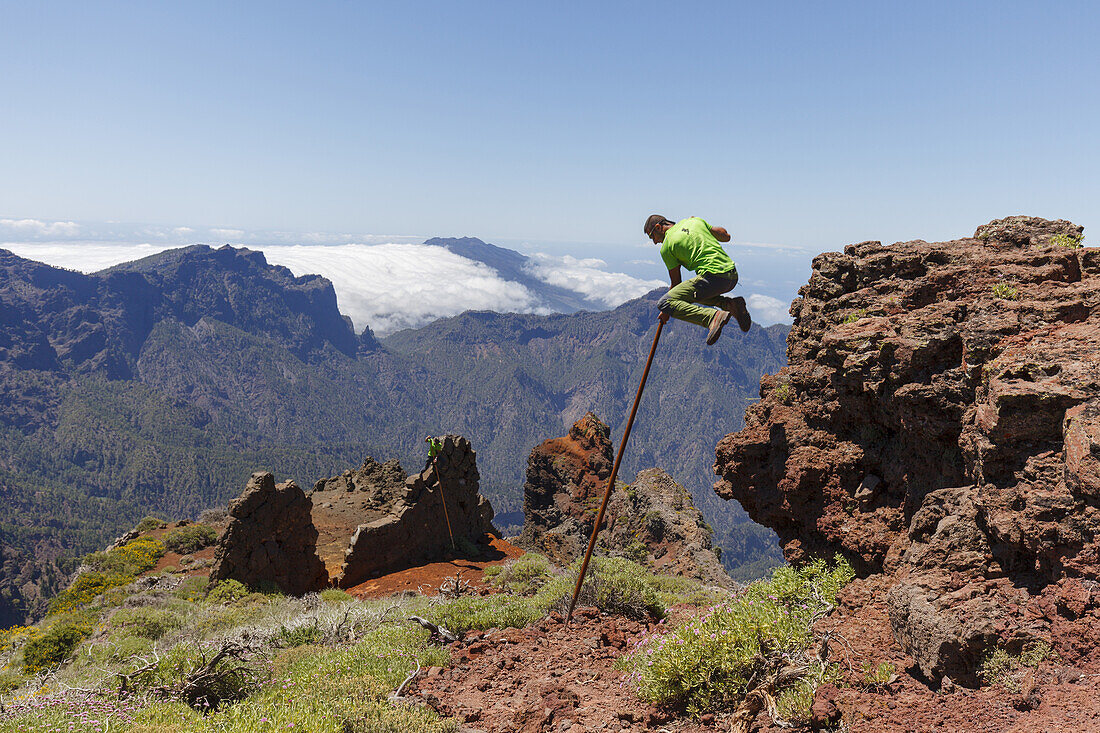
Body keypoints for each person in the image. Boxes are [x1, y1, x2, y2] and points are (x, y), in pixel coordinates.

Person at [644, 214, 752, 344]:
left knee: (665, 302)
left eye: (652, 236)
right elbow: (726, 236)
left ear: (658, 227)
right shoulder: (695, 222)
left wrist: (666, 310)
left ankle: (711, 317)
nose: (655, 242)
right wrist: (701, 224)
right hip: (731, 276)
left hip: (713, 277)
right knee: (693, 293)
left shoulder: (667, 247)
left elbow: (676, 283)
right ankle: (730, 305)